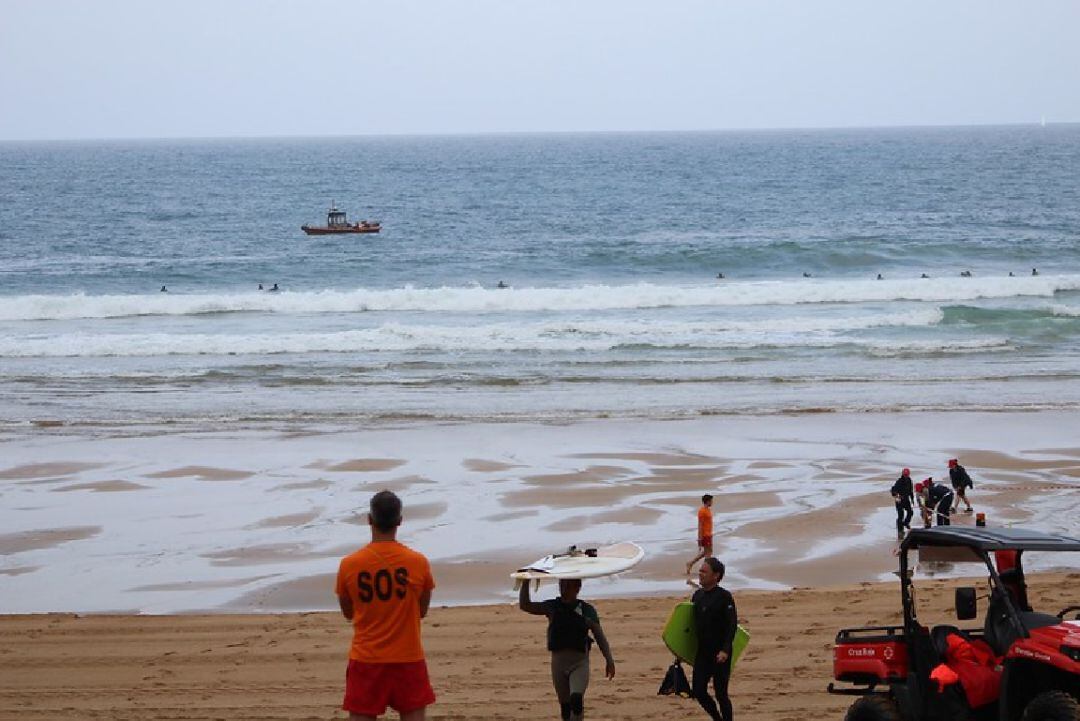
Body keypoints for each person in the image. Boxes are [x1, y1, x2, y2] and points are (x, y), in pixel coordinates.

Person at [335, 491, 436, 721]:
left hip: (366, 659)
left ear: (369, 519)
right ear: (400, 521)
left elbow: (348, 613)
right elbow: (421, 611)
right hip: (408, 658)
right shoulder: (418, 562)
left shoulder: (349, 565)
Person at [519, 578, 616, 721]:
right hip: (558, 665)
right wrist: (525, 582)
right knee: (565, 709)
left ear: (577, 587)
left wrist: (609, 660)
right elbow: (525, 605)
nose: (563, 588)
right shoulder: (552, 607)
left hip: (579, 664)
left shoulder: (587, 611)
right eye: (561, 584)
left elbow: (600, 637)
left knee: (576, 700)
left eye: (567, 585)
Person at [691, 558, 737, 721]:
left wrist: (725, 650)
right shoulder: (697, 596)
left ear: (716, 576)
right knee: (698, 691)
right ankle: (717, 719)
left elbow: (732, 626)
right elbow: (689, 627)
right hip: (703, 652)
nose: (700, 574)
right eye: (700, 570)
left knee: (721, 694)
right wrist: (680, 650)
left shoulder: (724, 597)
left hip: (720, 654)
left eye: (704, 571)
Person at [686, 494, 714, 574]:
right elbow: (700, 525)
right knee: (708, 554)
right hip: (705, 535)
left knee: (708, 552)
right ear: (707, 501)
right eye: (711, 501)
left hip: (709, 534)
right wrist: (700, 538)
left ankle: (690, 563)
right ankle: (706, 570)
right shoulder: (702, 511)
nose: (712, 502)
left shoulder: (708, 510)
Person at [890, 468, 914, 538]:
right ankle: (900, 531)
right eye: (905, 474)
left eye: (907, 474)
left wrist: (912, 499)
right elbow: (893, 490)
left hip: (906, 499)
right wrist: (896, 495)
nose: (906, 476)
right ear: (903, 474)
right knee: (901, 516)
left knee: (910, 512)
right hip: (899, 500)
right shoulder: (899, 481)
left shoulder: (909, 480)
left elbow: (911, 491)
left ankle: (906, 523)